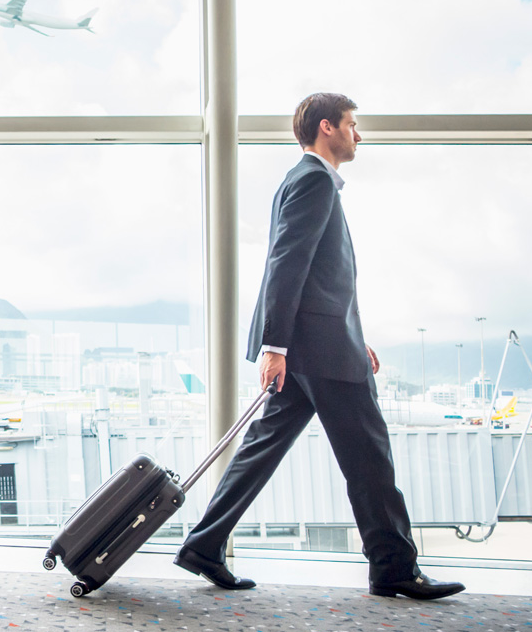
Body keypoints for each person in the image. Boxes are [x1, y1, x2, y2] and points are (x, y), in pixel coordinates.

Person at [172, 92, 465, 601]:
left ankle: (204, 544)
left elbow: (320, 277)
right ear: (327, 127)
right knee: (370, 459)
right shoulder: (313, 179)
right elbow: (288, 263)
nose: (359, 134)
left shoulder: (306, 179)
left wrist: (351, 337)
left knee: (263, 449)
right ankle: (394, 567)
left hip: (317, 345)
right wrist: (275, 345)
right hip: (318, 352)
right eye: (353, 125)